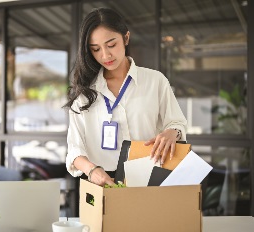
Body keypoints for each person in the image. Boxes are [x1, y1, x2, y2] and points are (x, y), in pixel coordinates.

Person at [64, 7, 187, 187]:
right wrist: (92, 170)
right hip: (103, 182)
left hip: (152, 177)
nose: (105, 55)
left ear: (126, 38)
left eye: (111, 45)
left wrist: (172, 132)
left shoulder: (155, 81)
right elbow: (74, 151)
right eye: (96, 49)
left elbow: (177, 123)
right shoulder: (84, 94)